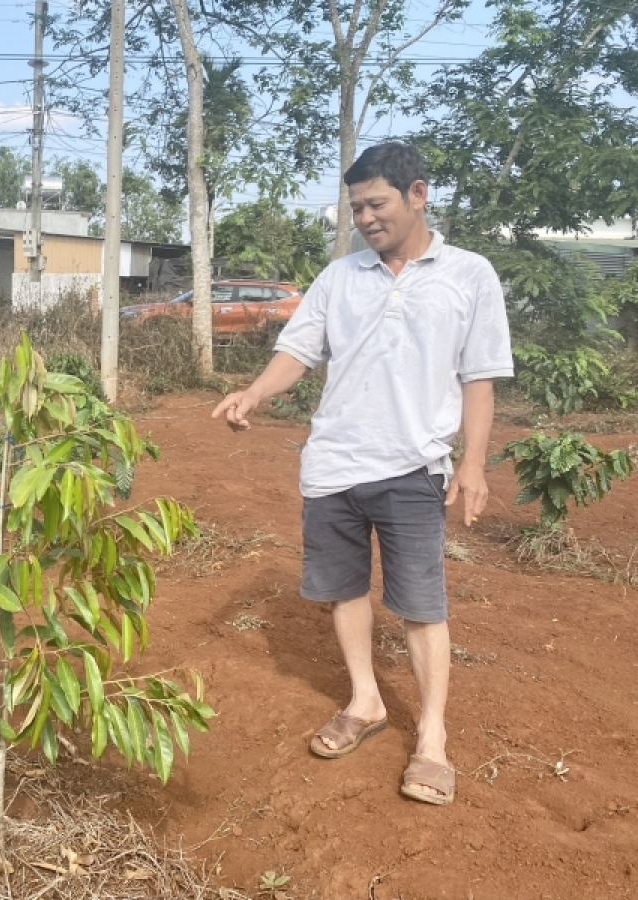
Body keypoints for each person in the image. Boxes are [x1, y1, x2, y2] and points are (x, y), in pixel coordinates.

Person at [212, 143, 512, 806]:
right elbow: (298, 349)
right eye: (356, 209)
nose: (366, 219)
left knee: (420, 606)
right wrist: (255, 394)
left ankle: (431, 740)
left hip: (413, 465)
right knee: (343, 590)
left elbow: (480, 378)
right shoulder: (341, 277)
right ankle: (366, 700)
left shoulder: (469, 275)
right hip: (333, 464)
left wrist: (473, 462)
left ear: (418, 194)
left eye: (376, 204)